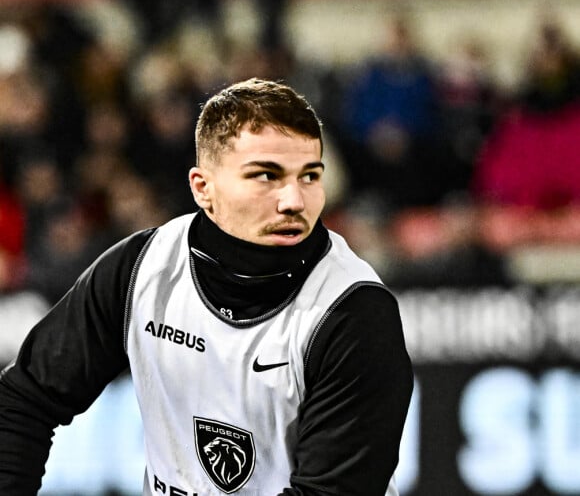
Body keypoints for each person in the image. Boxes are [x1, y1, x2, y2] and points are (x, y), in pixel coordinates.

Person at [0, 78, 413, 495]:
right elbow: (23, 400)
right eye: (267, 176)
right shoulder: (141, 269)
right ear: (203, 188)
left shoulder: (353, 311)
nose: (294, 201)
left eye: (309, 176)